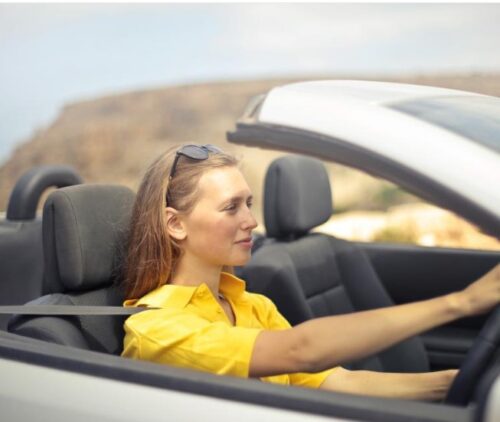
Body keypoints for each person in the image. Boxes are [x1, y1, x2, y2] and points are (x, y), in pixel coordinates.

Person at [121, 143, 500, 400]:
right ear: (175, 225)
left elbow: (338, 381)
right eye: (230, 207)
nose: (252, 221)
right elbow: (302, 351)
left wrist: (457, 384)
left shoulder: (253, 306)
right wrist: (460, 303)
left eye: (249, 204)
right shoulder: (156, 330)